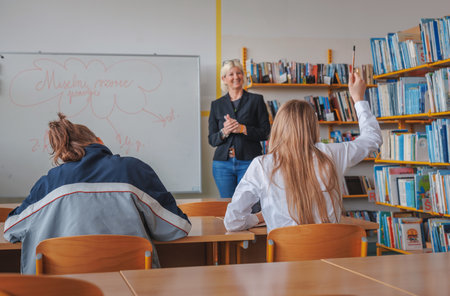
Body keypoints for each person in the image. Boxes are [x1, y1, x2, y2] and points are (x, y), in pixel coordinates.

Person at [4, 113, 191, 274]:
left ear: (64, 154)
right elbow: (177, 228)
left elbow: (11, 229)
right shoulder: (132, 170)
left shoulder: (48, 182)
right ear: (100, 142)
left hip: (61, 291)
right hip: (131, 289)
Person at [224, 71, 382, 233]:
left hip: (285, 257)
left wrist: (258, 217)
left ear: (278, 127)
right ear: (313, 126)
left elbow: (232, 222)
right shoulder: (331, 153)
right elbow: (373, 138)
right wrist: (358, 98)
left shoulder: (262, 165)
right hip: (330, 255)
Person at [208, 59, 270, 203]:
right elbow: (212, 140)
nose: (236, 77)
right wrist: (224, 131)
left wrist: (243, 129)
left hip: (249, 162)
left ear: (243, 75)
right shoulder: (216, 105)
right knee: (228, 206)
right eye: (231, 74)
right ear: (224, 79)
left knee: (250, 205)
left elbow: (265, 132)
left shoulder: (256, 100)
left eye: (239, 73)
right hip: (222, 165)